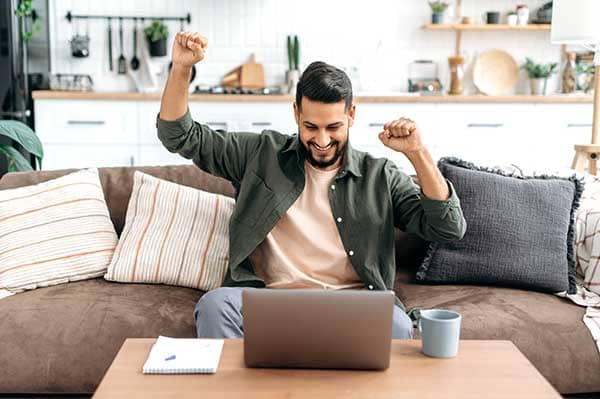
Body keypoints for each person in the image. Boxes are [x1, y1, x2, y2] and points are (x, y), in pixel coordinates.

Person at [157, 32, 466, 340]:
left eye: (333, 127)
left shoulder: (379, 175)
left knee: (396, 324)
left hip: (354, 303)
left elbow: (449, 228)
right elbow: (179, 135)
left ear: (351, 115)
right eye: (310, 127)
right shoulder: (261, 153)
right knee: (215, 305)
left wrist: (418, 153)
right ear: (296, 113)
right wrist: (181, 68)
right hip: (268, 300)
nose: (321, 141)